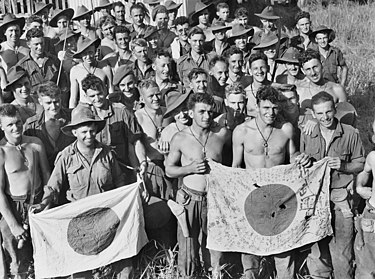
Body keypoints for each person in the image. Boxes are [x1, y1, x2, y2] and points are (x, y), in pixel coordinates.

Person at [30, 104, 135, 279]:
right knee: (81, 271)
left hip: (107, 217)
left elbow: (119, 181)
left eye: (92, 131)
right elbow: (53, 186)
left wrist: (128, 196)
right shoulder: (66, 157)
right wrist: (43, 203)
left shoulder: (107, 153)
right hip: (81, 221)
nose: (89, 136)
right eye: (84, 132)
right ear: (74, 133)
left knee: (123, 267)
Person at [232, 85, 310, 279]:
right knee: (250, 251)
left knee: (283, 250)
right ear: (257, 106)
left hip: (279, 197)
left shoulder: (285, 129)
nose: (271, 113)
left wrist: (302, 158)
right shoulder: (241, 131)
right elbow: (236, 167)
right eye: (266, 108)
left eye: (275, 108)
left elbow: (293, 158)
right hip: (252, 196)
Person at [300, 91, 365, 279]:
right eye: (319, 114)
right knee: (317, 251)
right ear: (313, 114)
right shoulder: (308, 132)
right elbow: (301, 158)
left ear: (335, 110)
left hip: (341, 199)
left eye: (328, 112)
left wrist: (343, 165)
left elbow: (361, 163)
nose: (325, 117)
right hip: (315, 198)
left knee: (342, 252)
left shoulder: (350, 133)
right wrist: (302, 159)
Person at [166, 93, 231, 279]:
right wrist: (189, 168)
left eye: (210, 112)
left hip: (214, 199)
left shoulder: (221, 134)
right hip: (189, 199)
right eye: (201, 112)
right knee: (188, 249)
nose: (206, 116)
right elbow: (169, 170)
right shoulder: (180, 138)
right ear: (191, 112)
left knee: (215, 247)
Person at [0, 103, 50, 278]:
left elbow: (47, 177)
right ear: (1, 127)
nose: (16, 128)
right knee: (17, 264)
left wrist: (46, 203)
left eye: (18, 122)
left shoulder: (35, 144)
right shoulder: (1, 152)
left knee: (45, 256)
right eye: (10, 125)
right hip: (14, 207)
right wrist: (13, 225)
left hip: (38, 204)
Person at [81, 74, 147, 182]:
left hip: (123, 171)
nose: (97, 99)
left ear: (105, 90)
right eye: (92, 96)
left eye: (100, 94)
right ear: (86, 96)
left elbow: (135, 141)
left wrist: (142, 163)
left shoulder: (122, 111)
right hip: (98, 174)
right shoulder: (85, 116)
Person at [134, 80, 174, 199]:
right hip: (150, 169)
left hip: (170, 165)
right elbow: (136, 144)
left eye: (157, 94)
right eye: (151, 96)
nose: (156, 98)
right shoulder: (138, 117)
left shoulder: (168, 113)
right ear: (142, 99)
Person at [23, 82, 74, 170]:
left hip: (70, 170)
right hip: (43, 174)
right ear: (40, 101)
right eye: (48, 103)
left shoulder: (73, 117)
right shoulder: (31, 125)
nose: (53, 107)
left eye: (56, 102)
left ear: (61, 99)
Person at [16, 28, 68, 96]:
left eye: (41, 43)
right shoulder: (22, 65)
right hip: (34, 102)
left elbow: (63, 85)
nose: (40, 47)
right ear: (28, 44)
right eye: (36, 44)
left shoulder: (54, 60)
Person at [355, 118, 375, 279]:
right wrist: (359, 187)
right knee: (367, 271)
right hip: (372, 217)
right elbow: (364, 172)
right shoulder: (373, 157)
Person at [69, 38, 114, 108]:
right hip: (84, 108)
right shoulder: (75, 70)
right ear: (81, 55)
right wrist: (71, 114)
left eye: (90, 52)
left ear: (95, 51)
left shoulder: (105, 68)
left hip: (102, 106)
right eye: (84, 54)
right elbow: (73, 98)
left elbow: (111, 91)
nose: (88, 57)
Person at [215, 82, 247, 166]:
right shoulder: (217, 123)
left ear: (245, 102)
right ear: (226, 102)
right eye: (233, 103)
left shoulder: (251, 123)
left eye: (240, 103)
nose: (237, 107)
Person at [159, 91, 191, 155]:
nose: (182, 115)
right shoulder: (168, 132)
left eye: (184, 109)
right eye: (177, 112)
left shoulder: (197, 124)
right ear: (172, 114)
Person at [245, 53, 272, 117]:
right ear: (250, 71)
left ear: (268, 68)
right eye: (255, 68)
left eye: (262, 67)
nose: (259, 71)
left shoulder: (276, 89)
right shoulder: (246, 93)